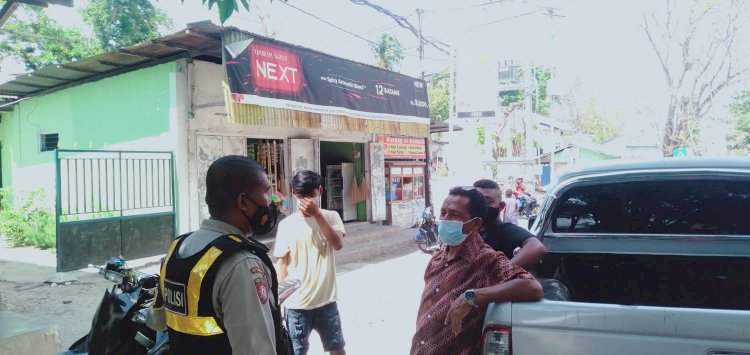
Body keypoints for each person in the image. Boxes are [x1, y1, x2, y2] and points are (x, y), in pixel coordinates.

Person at [147, 155, 288, 355]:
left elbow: (157, 320)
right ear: (243, 202)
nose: (270, 201)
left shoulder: (176, 249)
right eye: (266, 193)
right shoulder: (240, 264)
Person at [410, 186, 543, 355]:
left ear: (475, 224)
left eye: (455, 215)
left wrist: (474, 296)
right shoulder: (437, 259)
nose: (445, 219)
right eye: (443, 213)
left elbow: (532, 287)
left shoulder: (485, 259)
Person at [274, 170, 347, 355]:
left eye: (311, 194)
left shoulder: (331, 217)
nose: (306, 199)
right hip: (297, 306)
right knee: (296, 352)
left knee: (337, 349)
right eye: (301, 194)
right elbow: (282, 264)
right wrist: (276, 301)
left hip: (327, 302)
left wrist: (317, 215)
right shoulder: (286, 225)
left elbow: (337, 245)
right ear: (293, 193)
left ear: (320, 191)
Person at [473, 179, 547, 271]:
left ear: (501, 206)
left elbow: (537, 248)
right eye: (476, 202)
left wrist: (502, 273)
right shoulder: (471, 231)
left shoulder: (505, 230)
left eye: (488, 202)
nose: (481, 206)